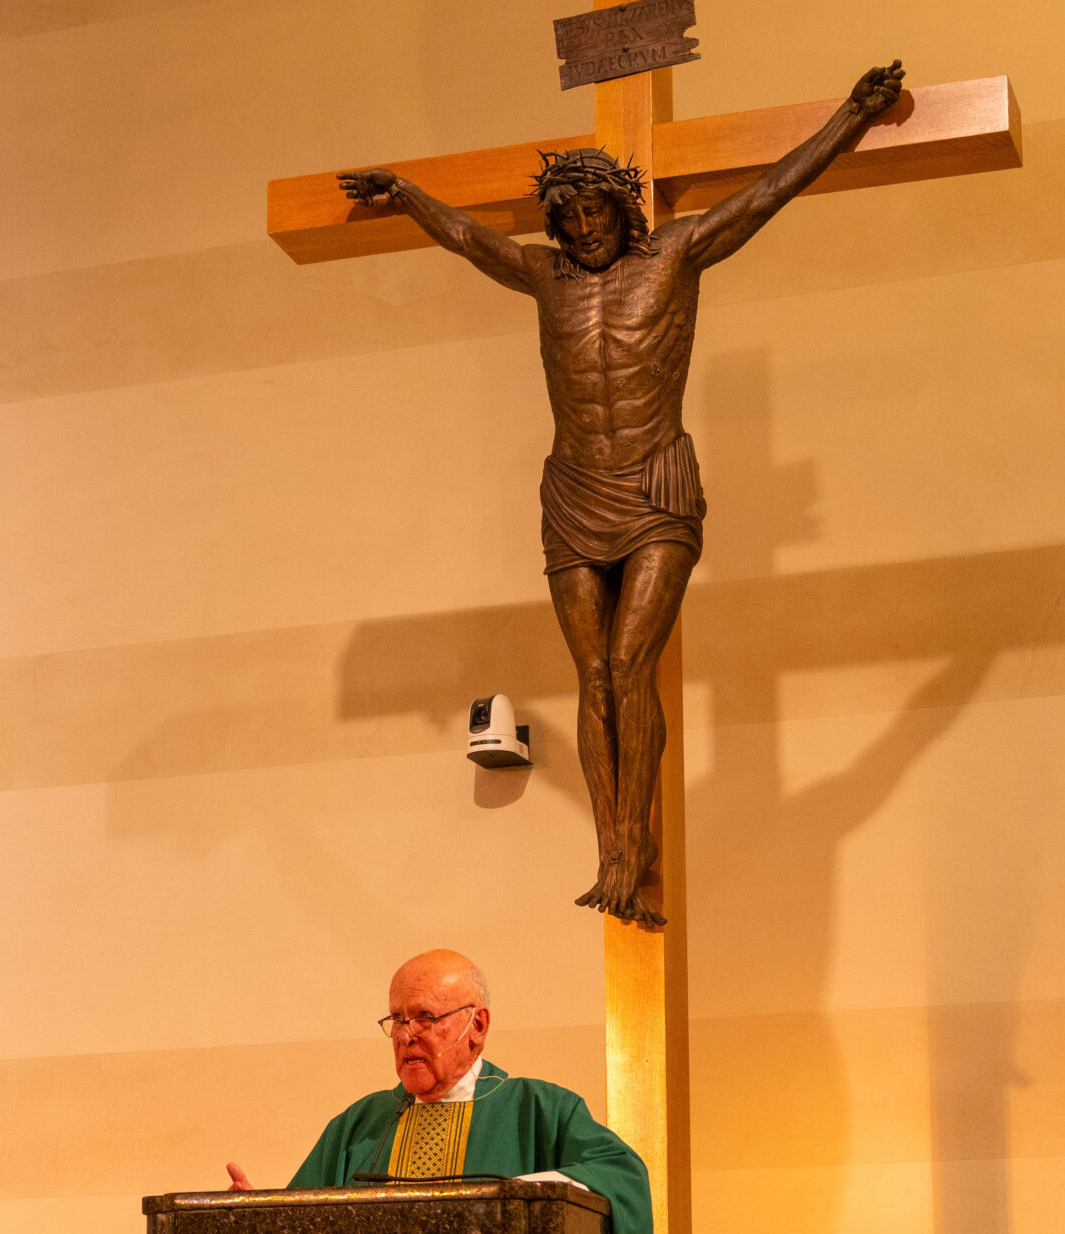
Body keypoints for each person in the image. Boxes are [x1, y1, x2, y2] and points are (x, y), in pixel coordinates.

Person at [335, 61, 907, 926]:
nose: (583, 228)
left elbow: (767, 194)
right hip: (574, 491)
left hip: (654, 484)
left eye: (595, 211)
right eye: (567, 218)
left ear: (620, 205)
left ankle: (631, 844)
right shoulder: (546, 277)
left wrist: (849, 117)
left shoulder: (675, 252)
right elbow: (468, 239)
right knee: (593, 672)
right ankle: (610, 846)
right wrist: (408, 194)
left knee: (632, 662)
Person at [226, 949, 652, 1234]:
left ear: (477, 1025)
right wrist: (253, 1221)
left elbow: (622, 1173)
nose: (405, 1034)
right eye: (397, 1019)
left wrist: (518, 1197)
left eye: (425, 1017)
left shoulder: (540, 1109)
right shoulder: (359, 1125)